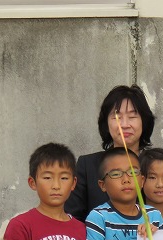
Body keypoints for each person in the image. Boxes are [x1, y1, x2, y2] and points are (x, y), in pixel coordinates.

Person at [66, 85, 156, 222]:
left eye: (132, 116)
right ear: (106, 123)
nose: (125, 124)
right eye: (117, 117)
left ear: (144, 121)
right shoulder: (88, 165)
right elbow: (73, 219)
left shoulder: (157, 165)